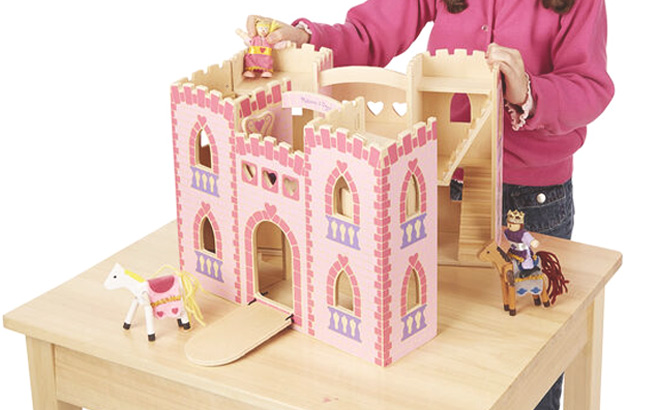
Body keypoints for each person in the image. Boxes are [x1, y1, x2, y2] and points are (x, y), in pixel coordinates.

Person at [246, 1, 614, 408]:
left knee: (528, 355)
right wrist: (308, 38)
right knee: (443, 353)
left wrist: (529, 90)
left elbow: (589, 85)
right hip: (443, 182)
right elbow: (370, 33)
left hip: (533, 204)